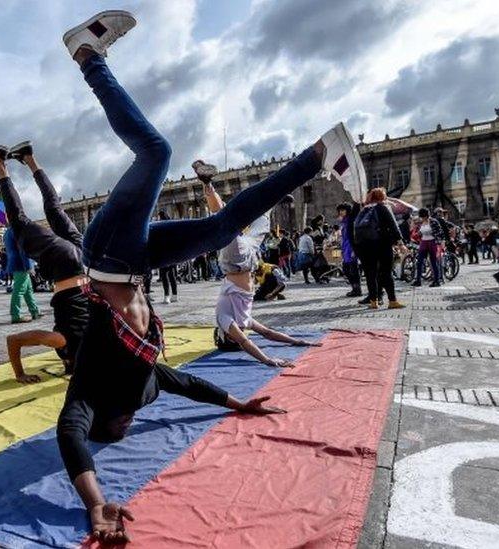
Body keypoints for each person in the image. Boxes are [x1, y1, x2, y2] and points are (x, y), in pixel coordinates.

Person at [54, 12, 364, 542]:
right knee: (225, 225)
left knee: (156, 152)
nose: (124, 431)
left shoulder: (92, 392)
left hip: (106, 252)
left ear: (105, 421)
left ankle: (86, 55)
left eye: (116, 432)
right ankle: (320, 154)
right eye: (123, 432)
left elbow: (69, 435)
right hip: (137, 262)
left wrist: (97, 502)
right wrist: (235, 402)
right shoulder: (145, 389)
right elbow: (185, 382)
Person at [0, 140, 91, 379]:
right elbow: (14, 341)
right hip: (65, 264)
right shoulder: (63, 341)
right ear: (68, 361)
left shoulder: (98, 342)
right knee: (18, 221)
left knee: (54, 208)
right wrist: (20, 374)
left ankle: (28, 157)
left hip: (85, 259)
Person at [194, 159, 311, 358]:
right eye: (232, 338)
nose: (234, 335)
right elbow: (268, 333)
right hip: (249, 259)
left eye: (229, 337)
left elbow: (244, 341)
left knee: (224, 220)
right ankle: (275, 195)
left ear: (223, 335)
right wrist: (297, 341)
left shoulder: (223, 319)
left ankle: (206, 183)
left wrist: (267, 360)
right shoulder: (245, 320)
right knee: (263, 222)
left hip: (234, 262)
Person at [353, 188, 405, 308]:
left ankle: (373, 302)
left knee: (370, 274)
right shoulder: (383, 207)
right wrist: (400, 242)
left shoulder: (364, 210)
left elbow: (355, 229)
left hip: (365, 246)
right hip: (382, 243)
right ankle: (392, 301)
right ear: (382, 197)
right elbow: (393, 225)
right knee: (386, 272)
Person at [4, 226, 41, 323]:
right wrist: (29, 265)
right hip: (21, 264)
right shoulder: (18, 230)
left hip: (16, 262)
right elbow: (23, 249)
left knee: (28, 289)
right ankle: (16, 315)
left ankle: (35, 311)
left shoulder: (8, 231)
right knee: (19, 290)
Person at [412, 208, 444, 287]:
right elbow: (421, 231)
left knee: (433, 262)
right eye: (421, 217)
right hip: (423, 242)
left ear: (427, 215)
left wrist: (439, 243)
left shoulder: (433, 221)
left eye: (423, 217)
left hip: (432, 242)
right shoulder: (421, 223)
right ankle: (418, 280)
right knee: (419, 262)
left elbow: (440, 232)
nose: (422, 218)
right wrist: (417, 234)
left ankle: (436, 281)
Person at [336, 202, 362, 297]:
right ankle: (355, 288)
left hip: (351, 248)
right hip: (346, 248)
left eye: (343, 210)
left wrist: (354, 249)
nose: (341, 212)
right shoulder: (344, 222)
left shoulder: (351, 220)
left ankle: (357, 289)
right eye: (340, 211)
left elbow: (356, 208)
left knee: (353, 269)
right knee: (346, 269)